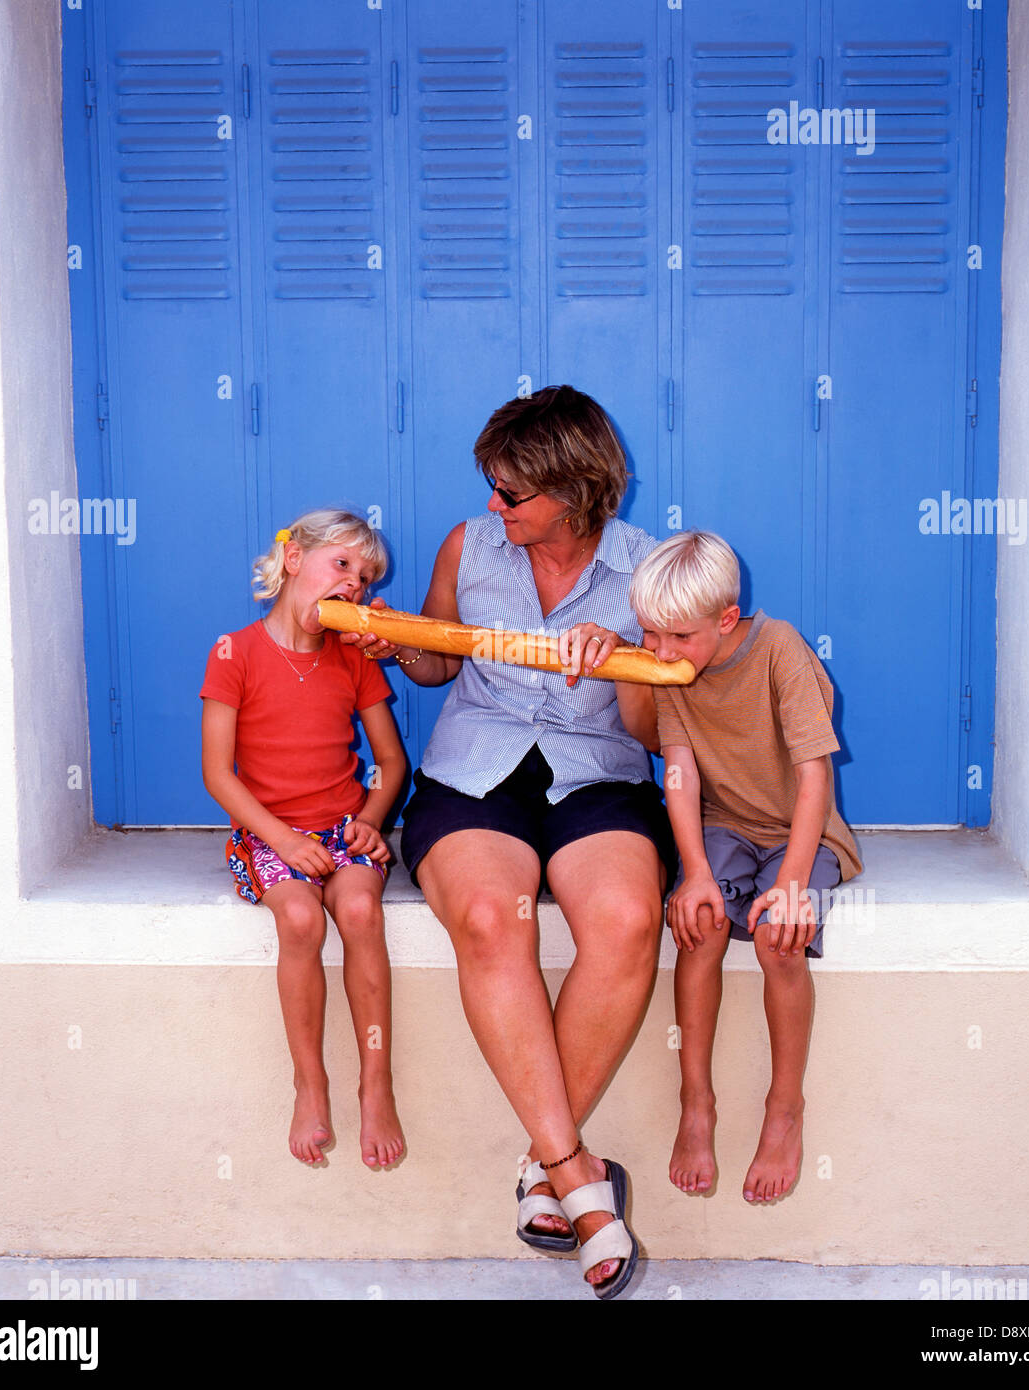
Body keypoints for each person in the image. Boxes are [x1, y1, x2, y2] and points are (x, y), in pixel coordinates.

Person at [339, 386, 676, 1298]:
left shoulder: (645, 569)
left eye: (513, 494)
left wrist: (623, 655)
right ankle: (577, 1176)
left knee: (625, 918)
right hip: (473, 769)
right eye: (491, 487)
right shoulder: (467, 543)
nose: (496, 506)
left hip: (595, 772)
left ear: (572, 489)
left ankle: (541, 1165)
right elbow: (440, 658)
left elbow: (650, 731)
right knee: (491, 916)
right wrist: (397, 649)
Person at [628, 530, 862, 1202]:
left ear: (725, 620)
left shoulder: (778, 649)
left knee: (776, 939)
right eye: (649, 635)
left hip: (799, 831)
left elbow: (813, 777)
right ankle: (695, 1101)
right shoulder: (670, 666)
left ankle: (783, 1108)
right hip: (722, 828)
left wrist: (790, 886)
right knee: (697, 924)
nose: (661, 653)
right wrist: (695, 870)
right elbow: (678, 772)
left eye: (677, 638)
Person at [200, 509, 407, 1170]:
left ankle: (375, 1082)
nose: (354, 584)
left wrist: (371, 819)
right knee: (297, 916)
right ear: (293, 561)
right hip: (270, 829)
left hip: (343, 826)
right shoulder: (234, 652)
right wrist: (284, 842)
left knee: (357, 909)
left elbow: (392, 762)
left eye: (365, 576)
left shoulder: (352, 656)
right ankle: (309, 1081)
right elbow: (217, 774)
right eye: (341, 564)